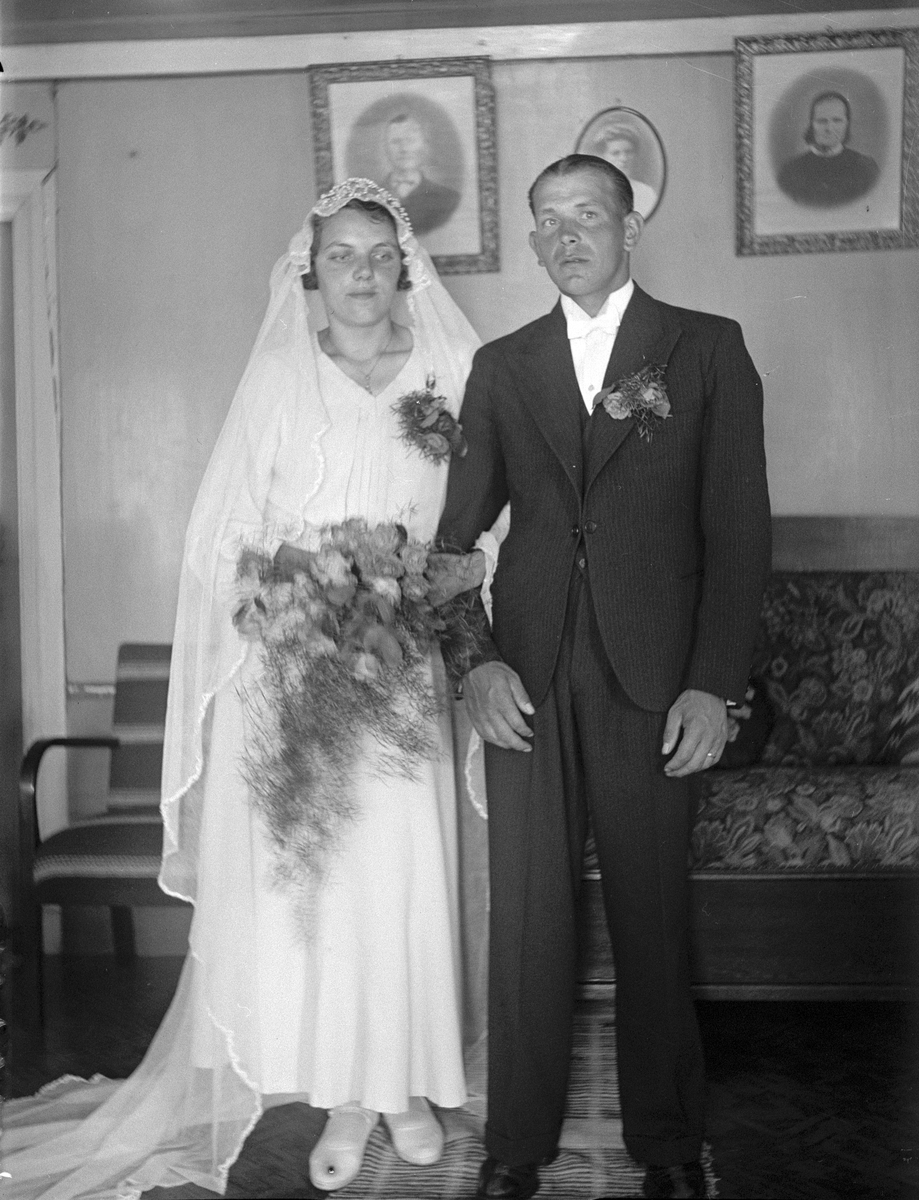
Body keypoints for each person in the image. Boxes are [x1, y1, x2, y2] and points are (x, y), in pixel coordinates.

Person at [1, 179, 487, 1198]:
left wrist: (427, 577)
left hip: (401, 669)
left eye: (378, 253)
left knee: (400, 880)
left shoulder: (453, 369)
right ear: (311, 272)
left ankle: (406, 1087)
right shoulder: (277, 376)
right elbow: (220, 533)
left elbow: (491, 514)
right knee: (321, 889)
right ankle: (346, 1095)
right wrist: (311, 578)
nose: (361, 273)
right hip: (296, 670)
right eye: (340, 255)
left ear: (405, 265)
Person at [435, 154, 771, 1200]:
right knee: (527, 922)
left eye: (585, 213)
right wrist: (475, 663)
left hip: (655, 680)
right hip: (526, 680)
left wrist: (712, 684)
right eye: (545, 219)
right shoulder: (501, 366)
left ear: (631, 228)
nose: (564, 234)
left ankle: (666, 1145)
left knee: (650, 915)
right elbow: (451, 546)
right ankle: (514, 1146)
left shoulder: (705, 349)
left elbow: (738, 533)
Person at [777, 91, 879, 207]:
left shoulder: (866, 168)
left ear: (846, 124)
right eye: (822, 121)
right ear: (812, 125)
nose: (829, 128)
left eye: (837, 120)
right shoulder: (791, 171)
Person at [380, 112, 461, 235]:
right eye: (396, 142)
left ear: (424, 146)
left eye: (410, 141)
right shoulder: (369, 197)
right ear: (385, 148)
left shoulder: (448, 199)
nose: (404, 149)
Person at [590, 126, 659, 219]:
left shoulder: (646, 193)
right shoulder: (592, 192)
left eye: (628, 152)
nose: (623, 158)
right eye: (615, 153)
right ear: (603, 157)